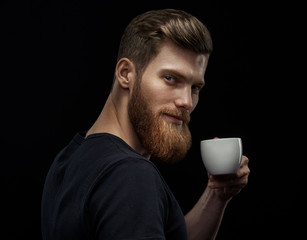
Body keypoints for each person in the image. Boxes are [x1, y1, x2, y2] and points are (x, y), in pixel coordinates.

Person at [41, 8, 250, 240]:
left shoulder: (71, 157)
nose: (186, 102)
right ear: (125, 73)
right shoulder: (130, 175)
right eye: (170, 78)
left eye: (195, 87)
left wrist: (217, 194)